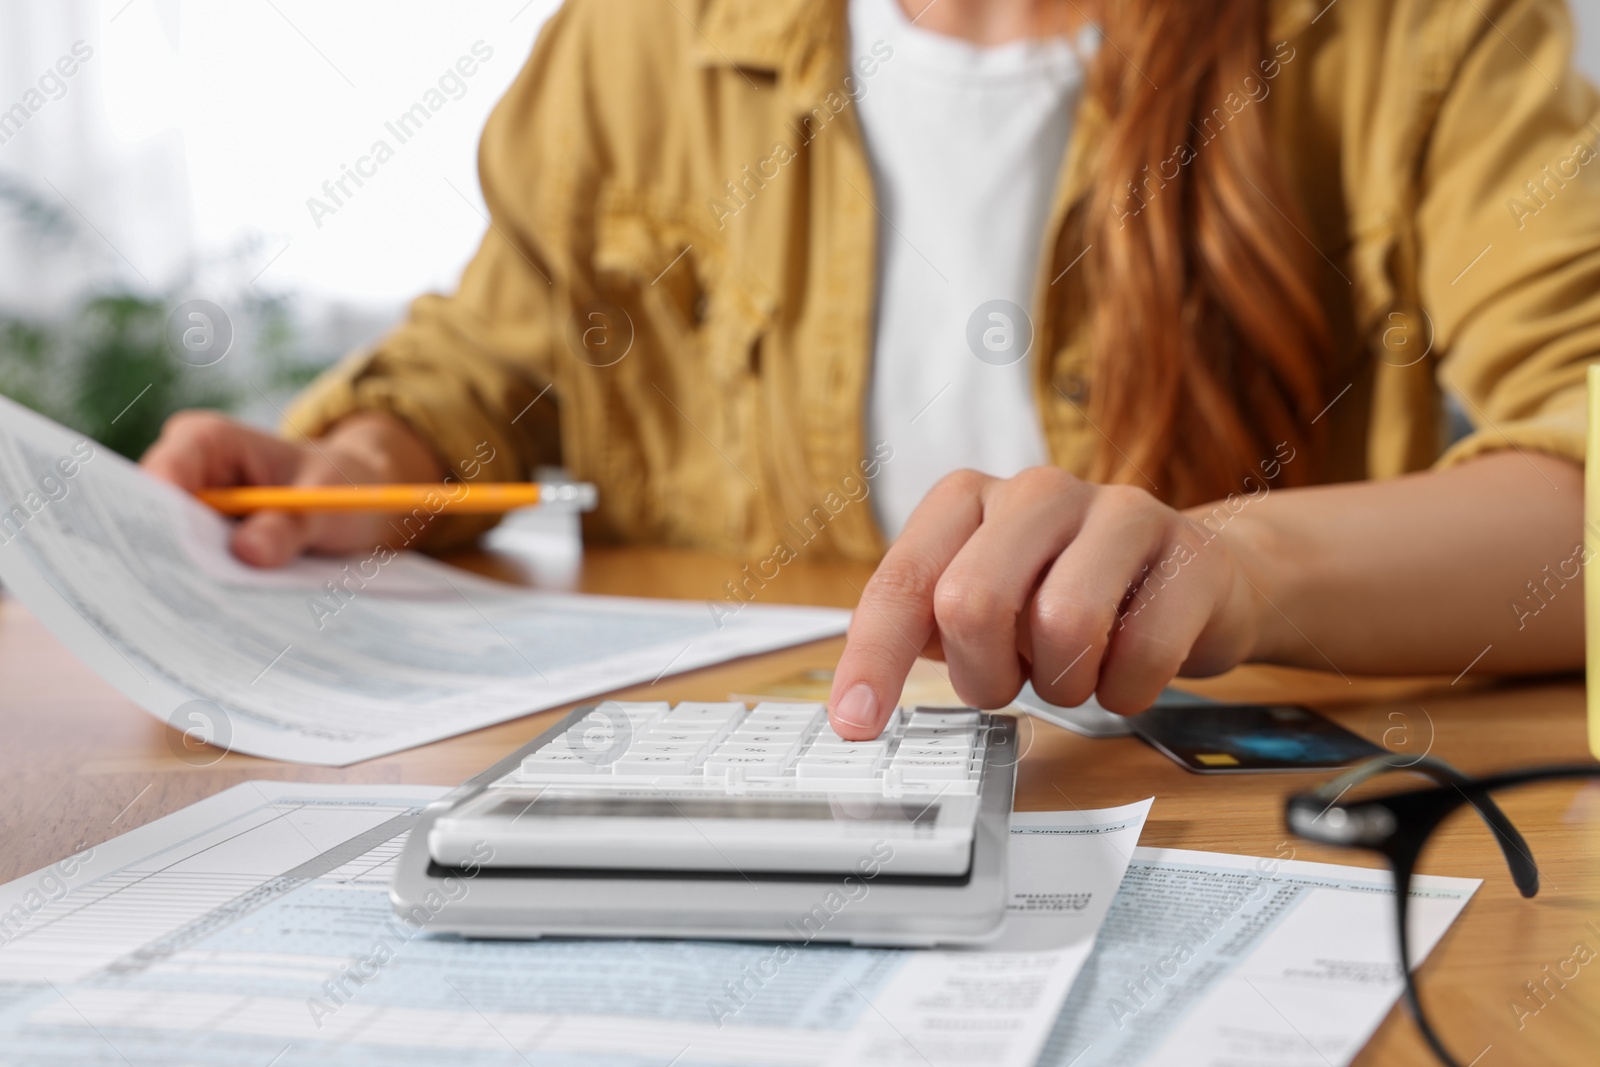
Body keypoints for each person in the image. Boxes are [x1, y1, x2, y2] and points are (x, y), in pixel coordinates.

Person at [142, 0, 1600, 741]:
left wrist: (1238, 563)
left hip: (1190, 804)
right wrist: (359, 467)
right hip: (764, 792)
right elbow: (497, 359)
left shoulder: (1412, 36)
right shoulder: (645, 35)